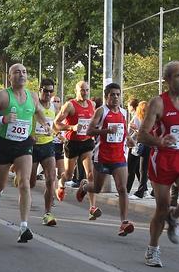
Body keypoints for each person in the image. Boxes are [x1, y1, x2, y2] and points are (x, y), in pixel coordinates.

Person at [135, 62, 179, 267]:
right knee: (161, 206)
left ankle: (174, 217)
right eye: (178, 76)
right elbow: (141, 134)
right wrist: (159, 141)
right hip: (162, 160)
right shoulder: (158, 103)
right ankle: (153, 249)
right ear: (167, 80)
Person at [0, 63, 49, 243]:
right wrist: (1, 119)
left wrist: (46, 124)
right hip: (4, 144)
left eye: (24, 72)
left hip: (24, 144)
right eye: (17, 72)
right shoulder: (3, 96)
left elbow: (39, 113)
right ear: (9, 77)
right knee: (0, 184)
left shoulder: (32, 96)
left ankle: (24, 226)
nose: (22, 75)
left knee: (25, 183)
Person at [76, 82, 136, 236]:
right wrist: (106, 130)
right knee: (97, 188)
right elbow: (89, 131)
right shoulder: (101, 111)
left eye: (118, 94)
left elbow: (123, 130)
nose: (116, 97)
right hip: (102, 156)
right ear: (106, 96)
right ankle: (84, 187)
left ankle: (123, 222)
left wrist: (128, 139)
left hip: (119, 157)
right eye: (112, 95)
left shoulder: (123, 112)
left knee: (122, 189)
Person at [53, 81, 101, 220]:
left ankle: (92, 207)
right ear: (76, 90)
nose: (85, 93)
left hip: (87, 142)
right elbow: (56, 124)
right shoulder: (70, 105)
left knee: (91, 174)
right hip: (72, 143)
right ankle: (61, 184)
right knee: (68, 175)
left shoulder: (92, 105)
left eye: (87, 90)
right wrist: (71, 127)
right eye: (82, 90)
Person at [30, 79, 58, 226]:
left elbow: (56, 123)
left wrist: (57, 133)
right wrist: (30, 134)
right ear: (40, 90)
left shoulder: (54, 106)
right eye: (45, 90)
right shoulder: (34, 104)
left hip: (48, 145)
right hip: (33, 146)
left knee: (50, 179)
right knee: (31, 182)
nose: (48, 93)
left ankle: (47, 213)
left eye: (50, 91)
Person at [126, 98, 140, 194]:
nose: (128, 107)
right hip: (136, 145)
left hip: (134, 146)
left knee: (131, 169)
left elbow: (135, 132)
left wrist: (129, 138)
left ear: (132, 106)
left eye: (128, 105)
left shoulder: (136, 117)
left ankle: (126, 190)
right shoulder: (137, 116)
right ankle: (145, 189)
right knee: (137, 169)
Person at [50, 95, 66, 181]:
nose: (55, 103)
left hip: (60, 145)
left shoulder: (63, 115)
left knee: (62, 172)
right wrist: (57, 134)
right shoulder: (47, 113)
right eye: (54, 101)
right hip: (49, 144)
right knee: (51, 173)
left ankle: (60, 188)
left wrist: (64, 139)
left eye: (57, 101)